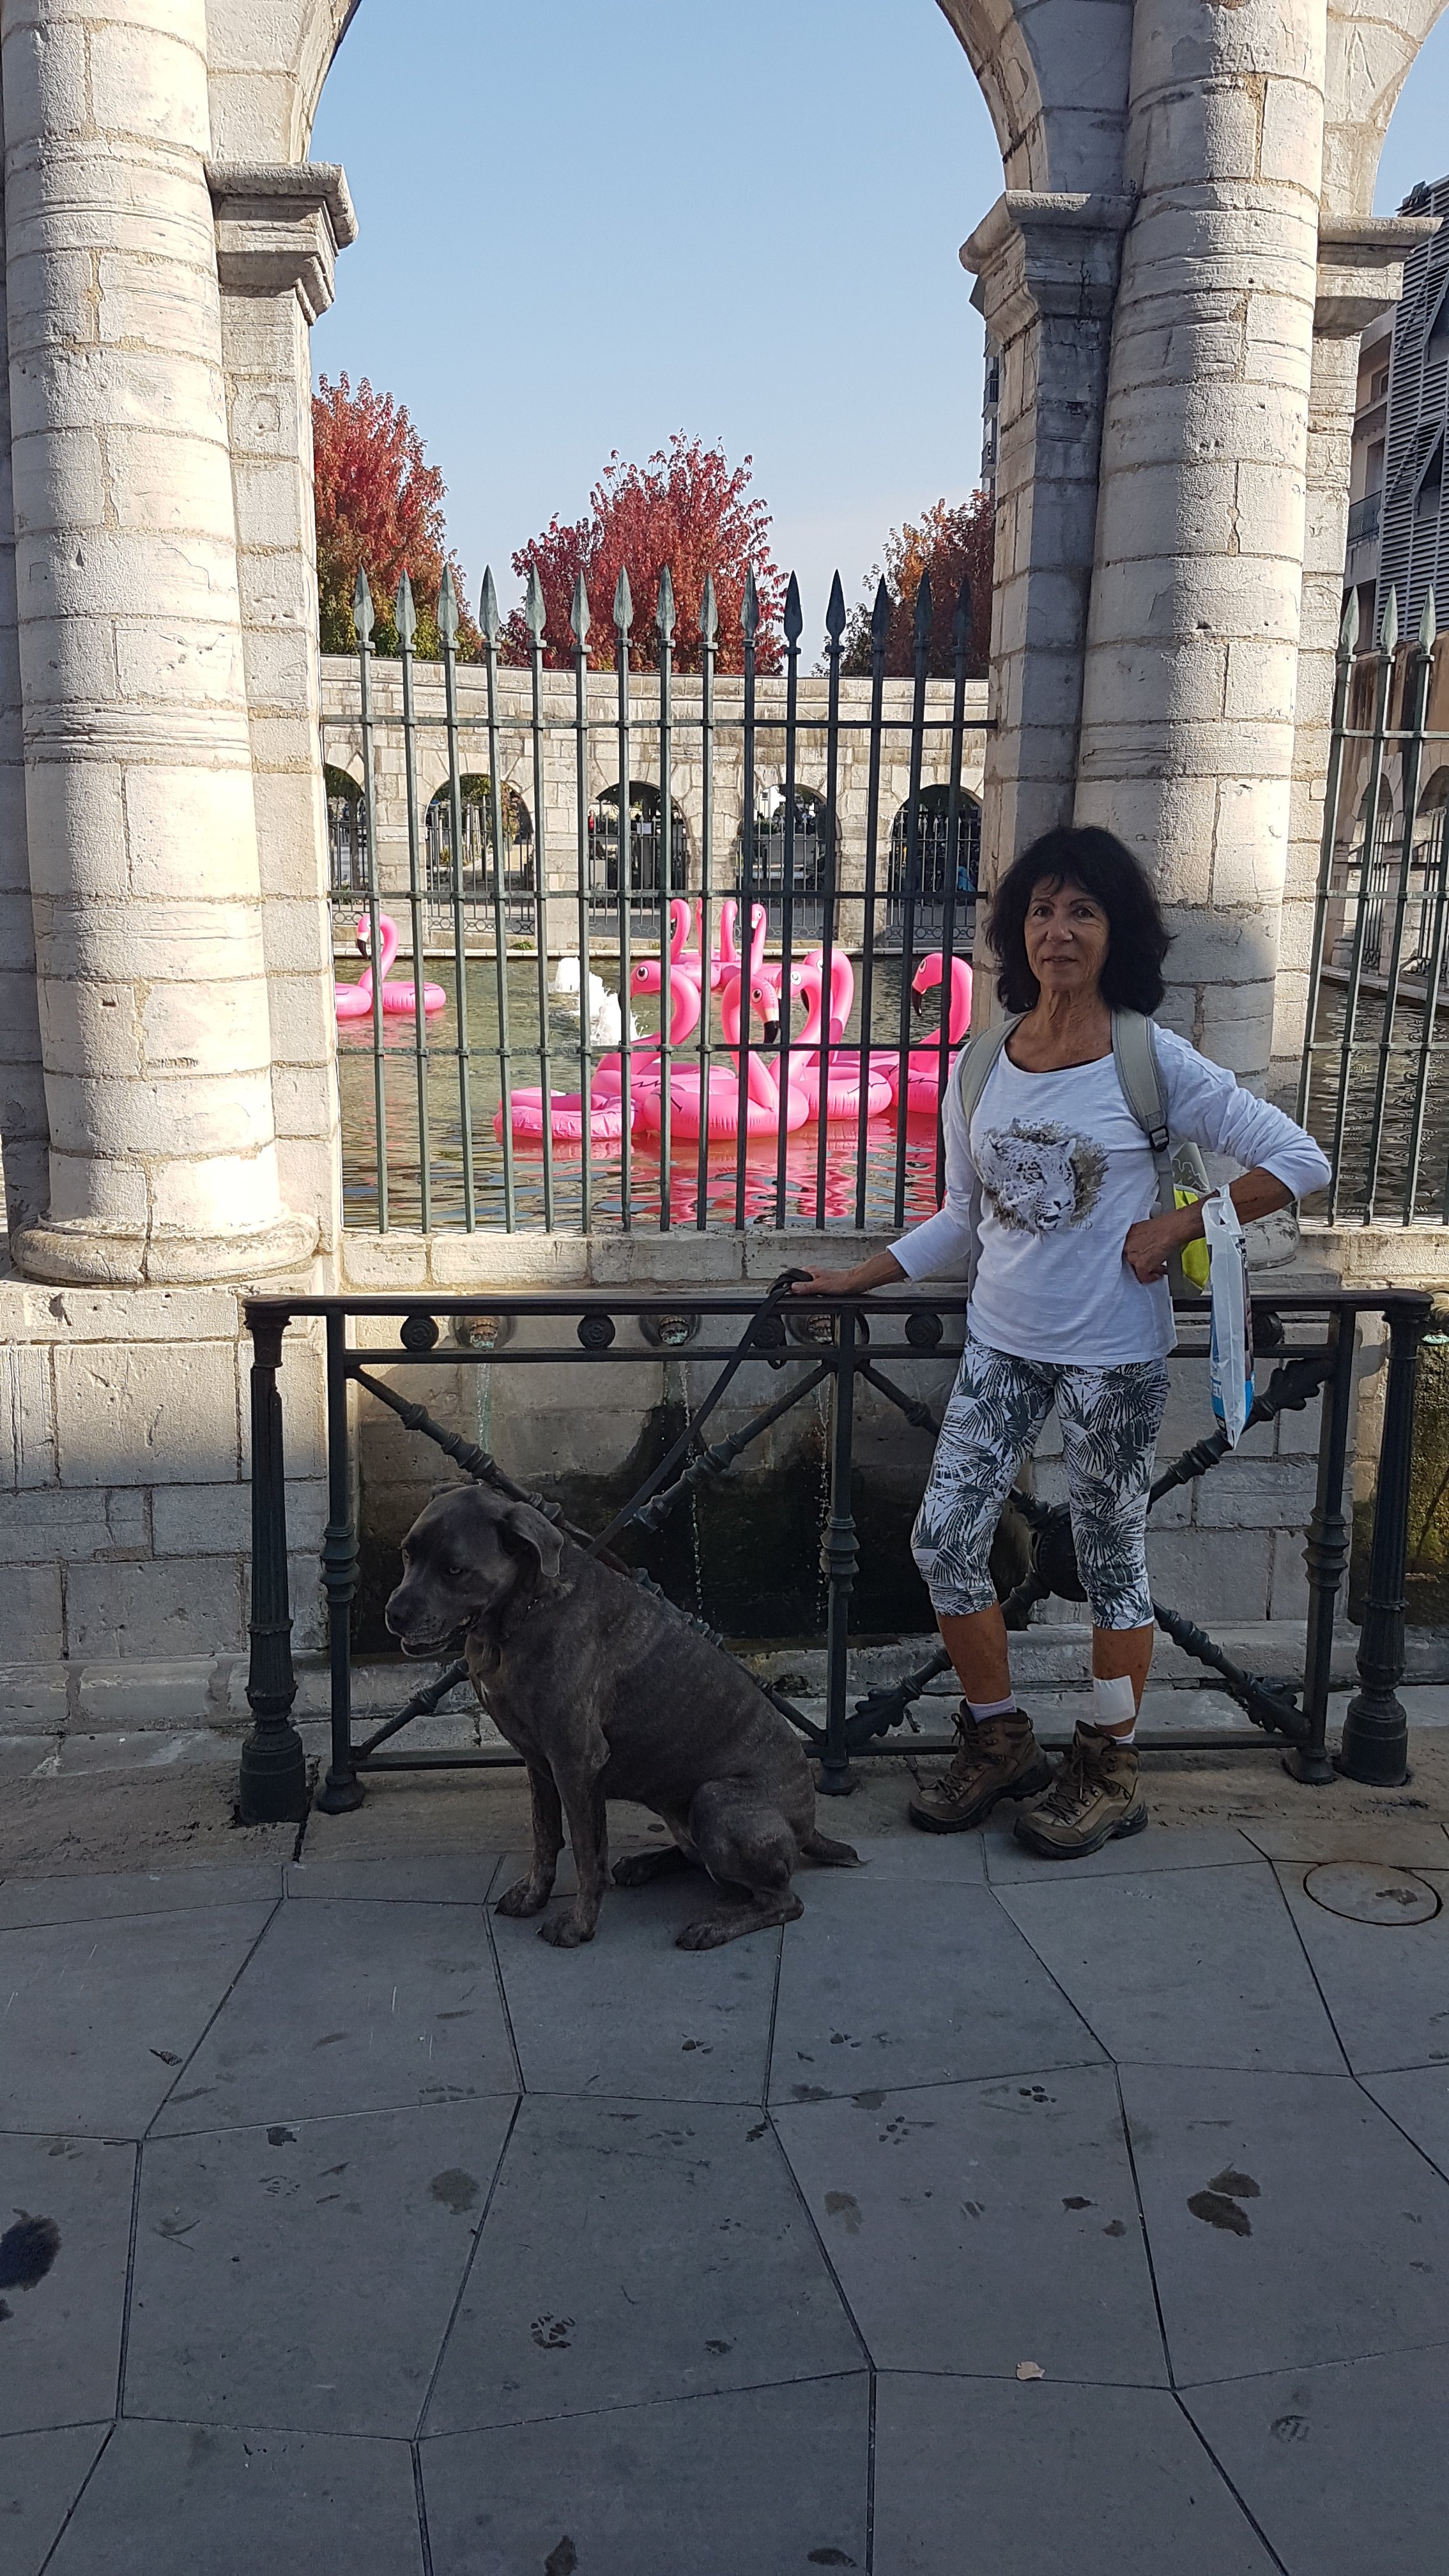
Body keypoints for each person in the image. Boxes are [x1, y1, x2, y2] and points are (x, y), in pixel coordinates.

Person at [795, 825, 1331, 1859]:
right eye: (1041, 910)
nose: (1059, 930)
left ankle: (1109, 1766)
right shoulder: (983, 1061)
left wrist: (1179, 1224)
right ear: (1018, 931)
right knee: (944, 1539)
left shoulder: (1149, 1059)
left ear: (1115, 930)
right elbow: (963, 1216)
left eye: (1083, 910)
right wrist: (858, 1277)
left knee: (1110, 1561)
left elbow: (1299, 1160)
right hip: (1001, 1346)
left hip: (1112, 1358)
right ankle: (1000, 1739)